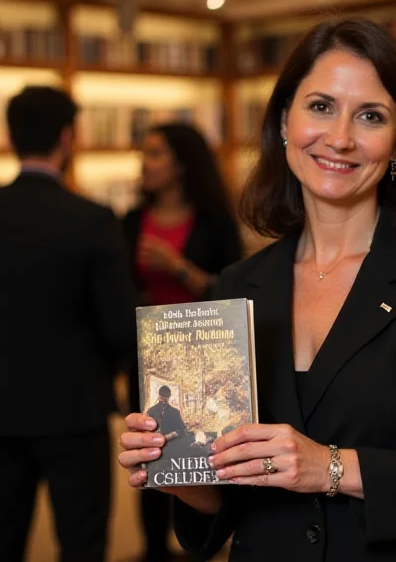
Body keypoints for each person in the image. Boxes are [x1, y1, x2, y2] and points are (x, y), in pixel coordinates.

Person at [116, 17, 396, 561]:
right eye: (320, 107)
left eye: (370, 116)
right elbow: (226, 502)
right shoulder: (236, 285)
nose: (339, 137)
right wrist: (178, 470)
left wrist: (332, 468)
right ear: (285, 121)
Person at [0, 86, 137, 562]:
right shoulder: (91, 218)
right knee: (82, 542)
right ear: (68, 137)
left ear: (8, 136)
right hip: (74, 405)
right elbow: (118, 327)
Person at [123, 121, 243, 562]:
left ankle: (203, 543)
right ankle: (153, 549)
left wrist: (178, 267)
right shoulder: (133, 219)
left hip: (204, 354)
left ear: (181, 164)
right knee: (149, 452)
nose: (144, 162)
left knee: (202, 450)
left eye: (154, 153)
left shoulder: (212, 221)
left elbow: (231, 290)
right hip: (148, 354)